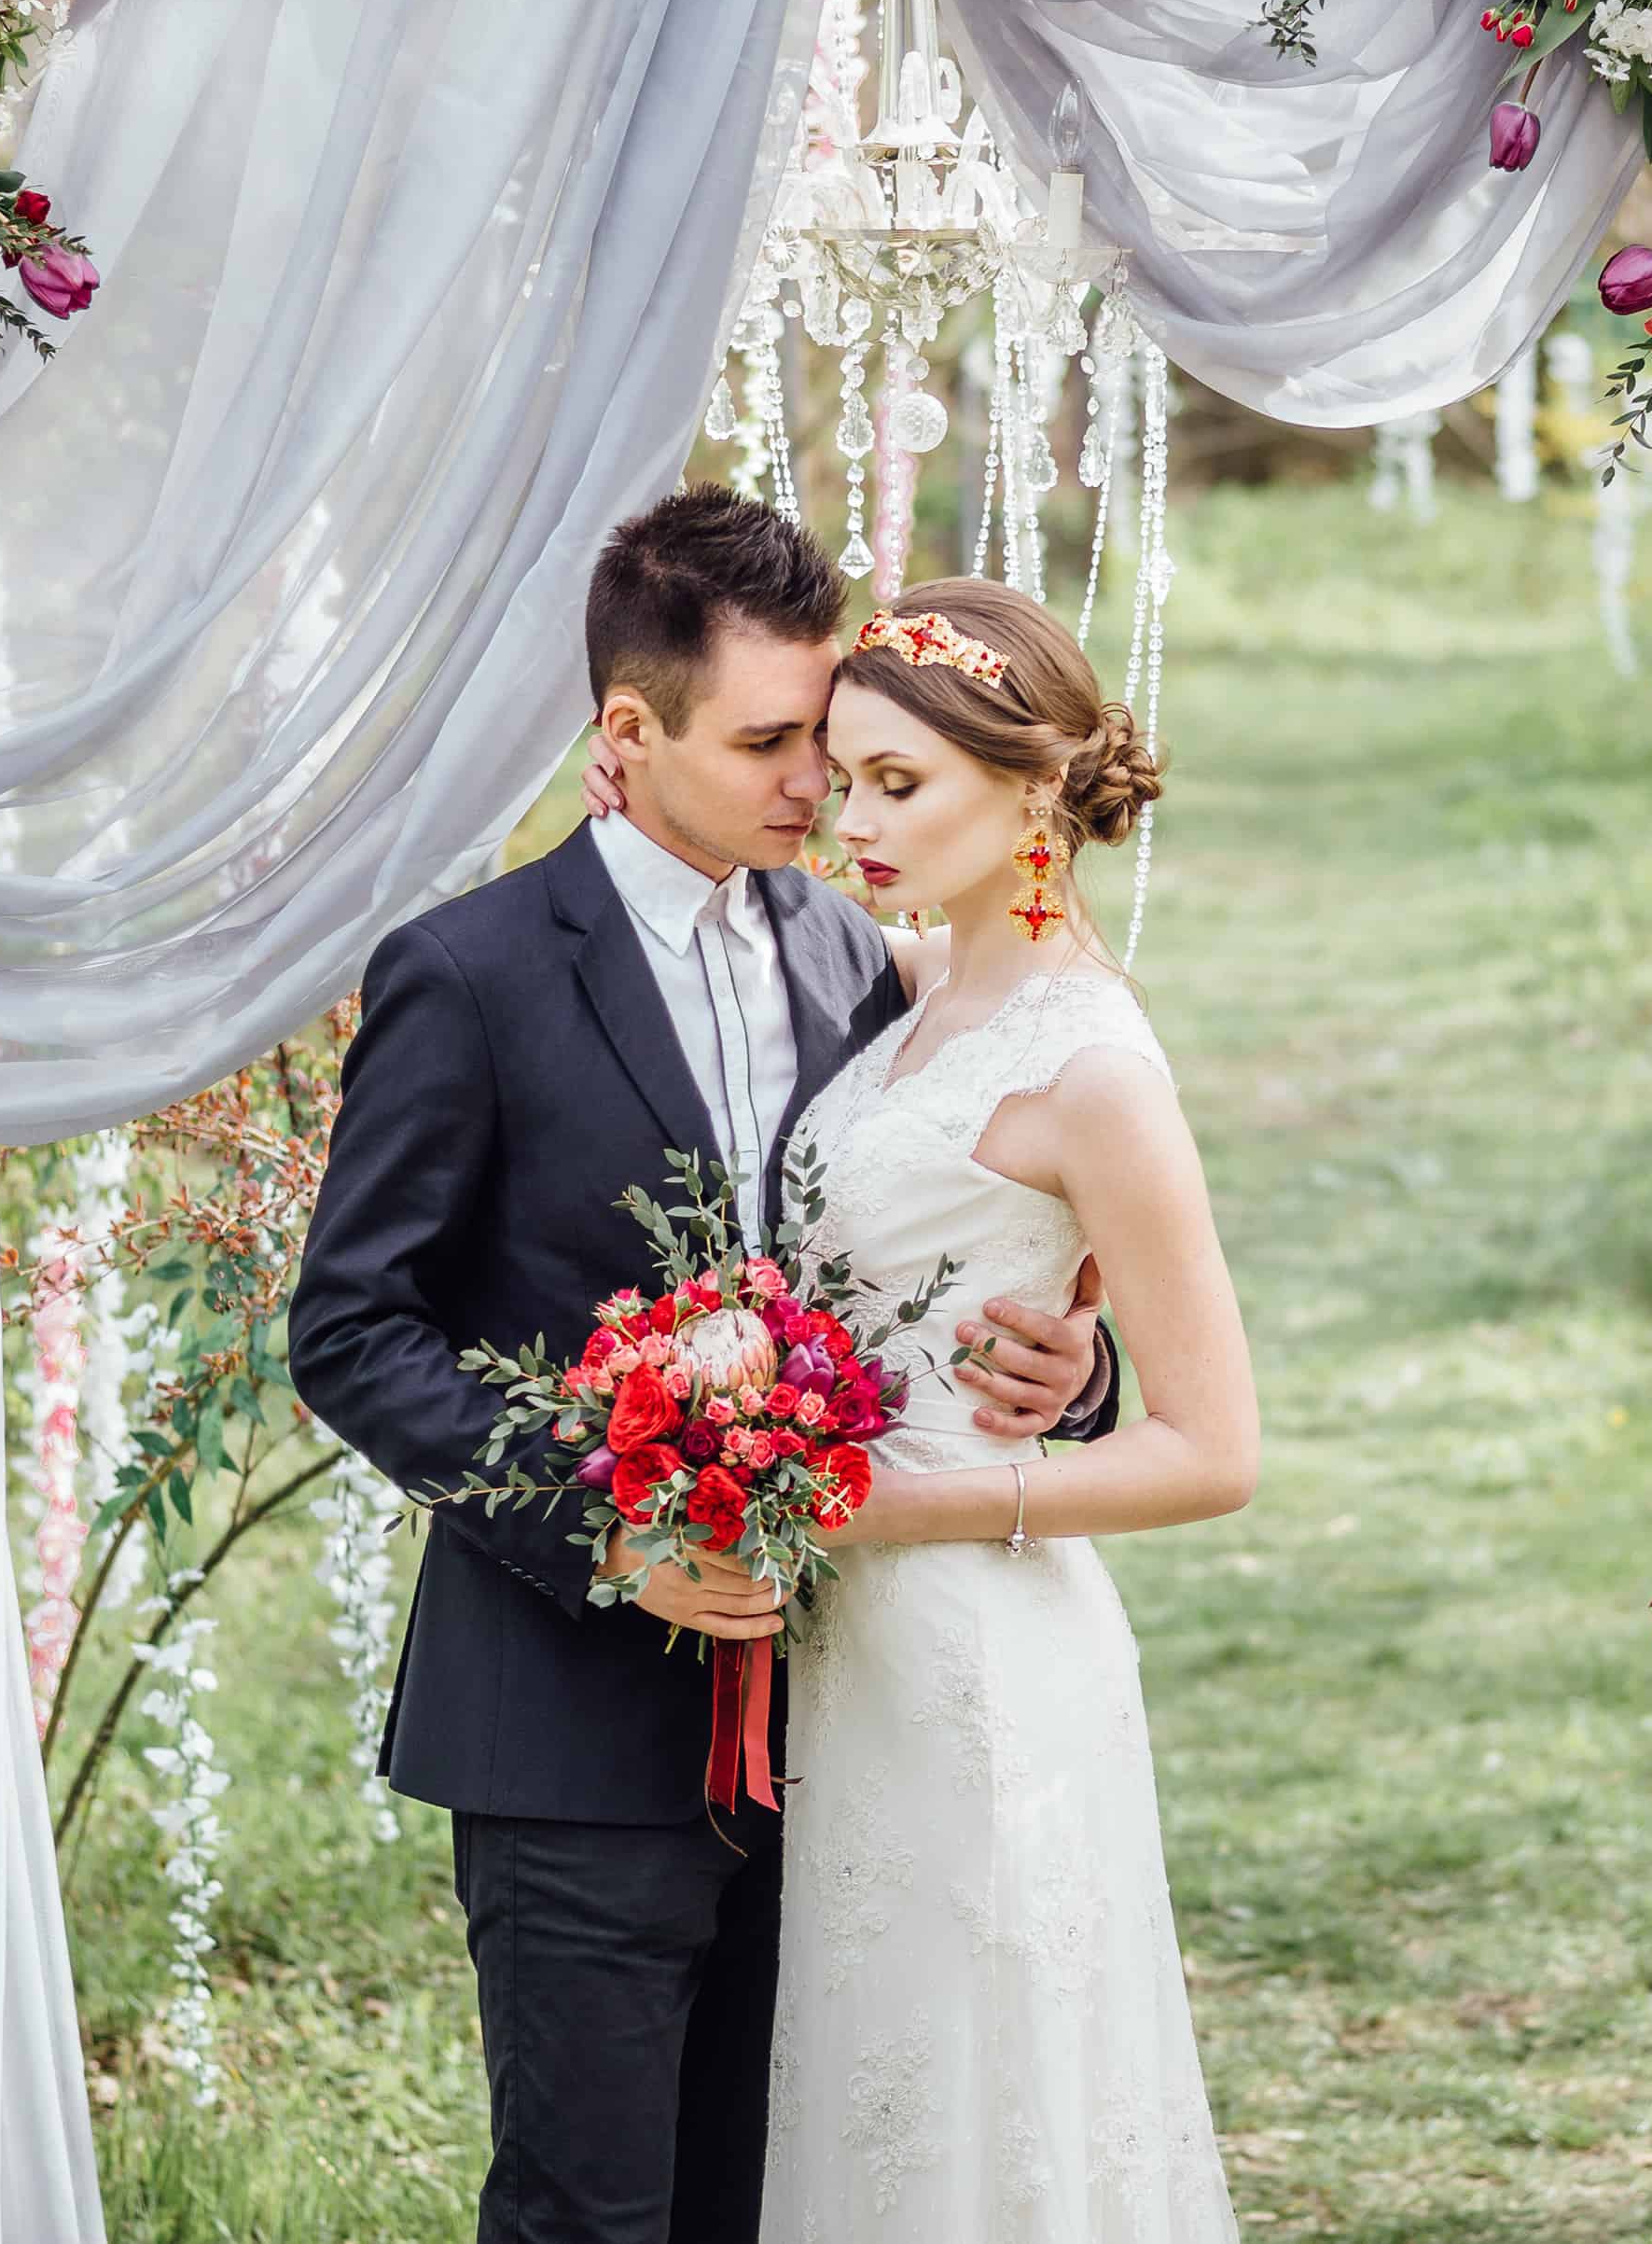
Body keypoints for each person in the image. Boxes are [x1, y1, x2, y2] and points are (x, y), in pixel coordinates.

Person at [285, 487, 1120, 2244]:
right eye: (766, 745)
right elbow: (353, 1328)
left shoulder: (846, 948)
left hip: (839, 1711)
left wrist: (1073, 1369)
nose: (815, 786)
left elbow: (924, 1252)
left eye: (825, 738)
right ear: (628, 731)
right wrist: (608, 1532)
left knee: (772, 2197)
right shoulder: (470, 973)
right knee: (591, 2211)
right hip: (567, 1731)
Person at [591, 577, 1257, 2241]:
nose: (851, 819)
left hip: (978, 1643)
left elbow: (1218, 1451)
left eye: (902, 785)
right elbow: (726, 946)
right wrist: (644, 808)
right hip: (844, 1644)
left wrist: (909, 1505)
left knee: (989, 2096)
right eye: (843, 771)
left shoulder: (1092, 1069)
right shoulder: (910, 980)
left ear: (1034, 791)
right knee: (871, 2092)